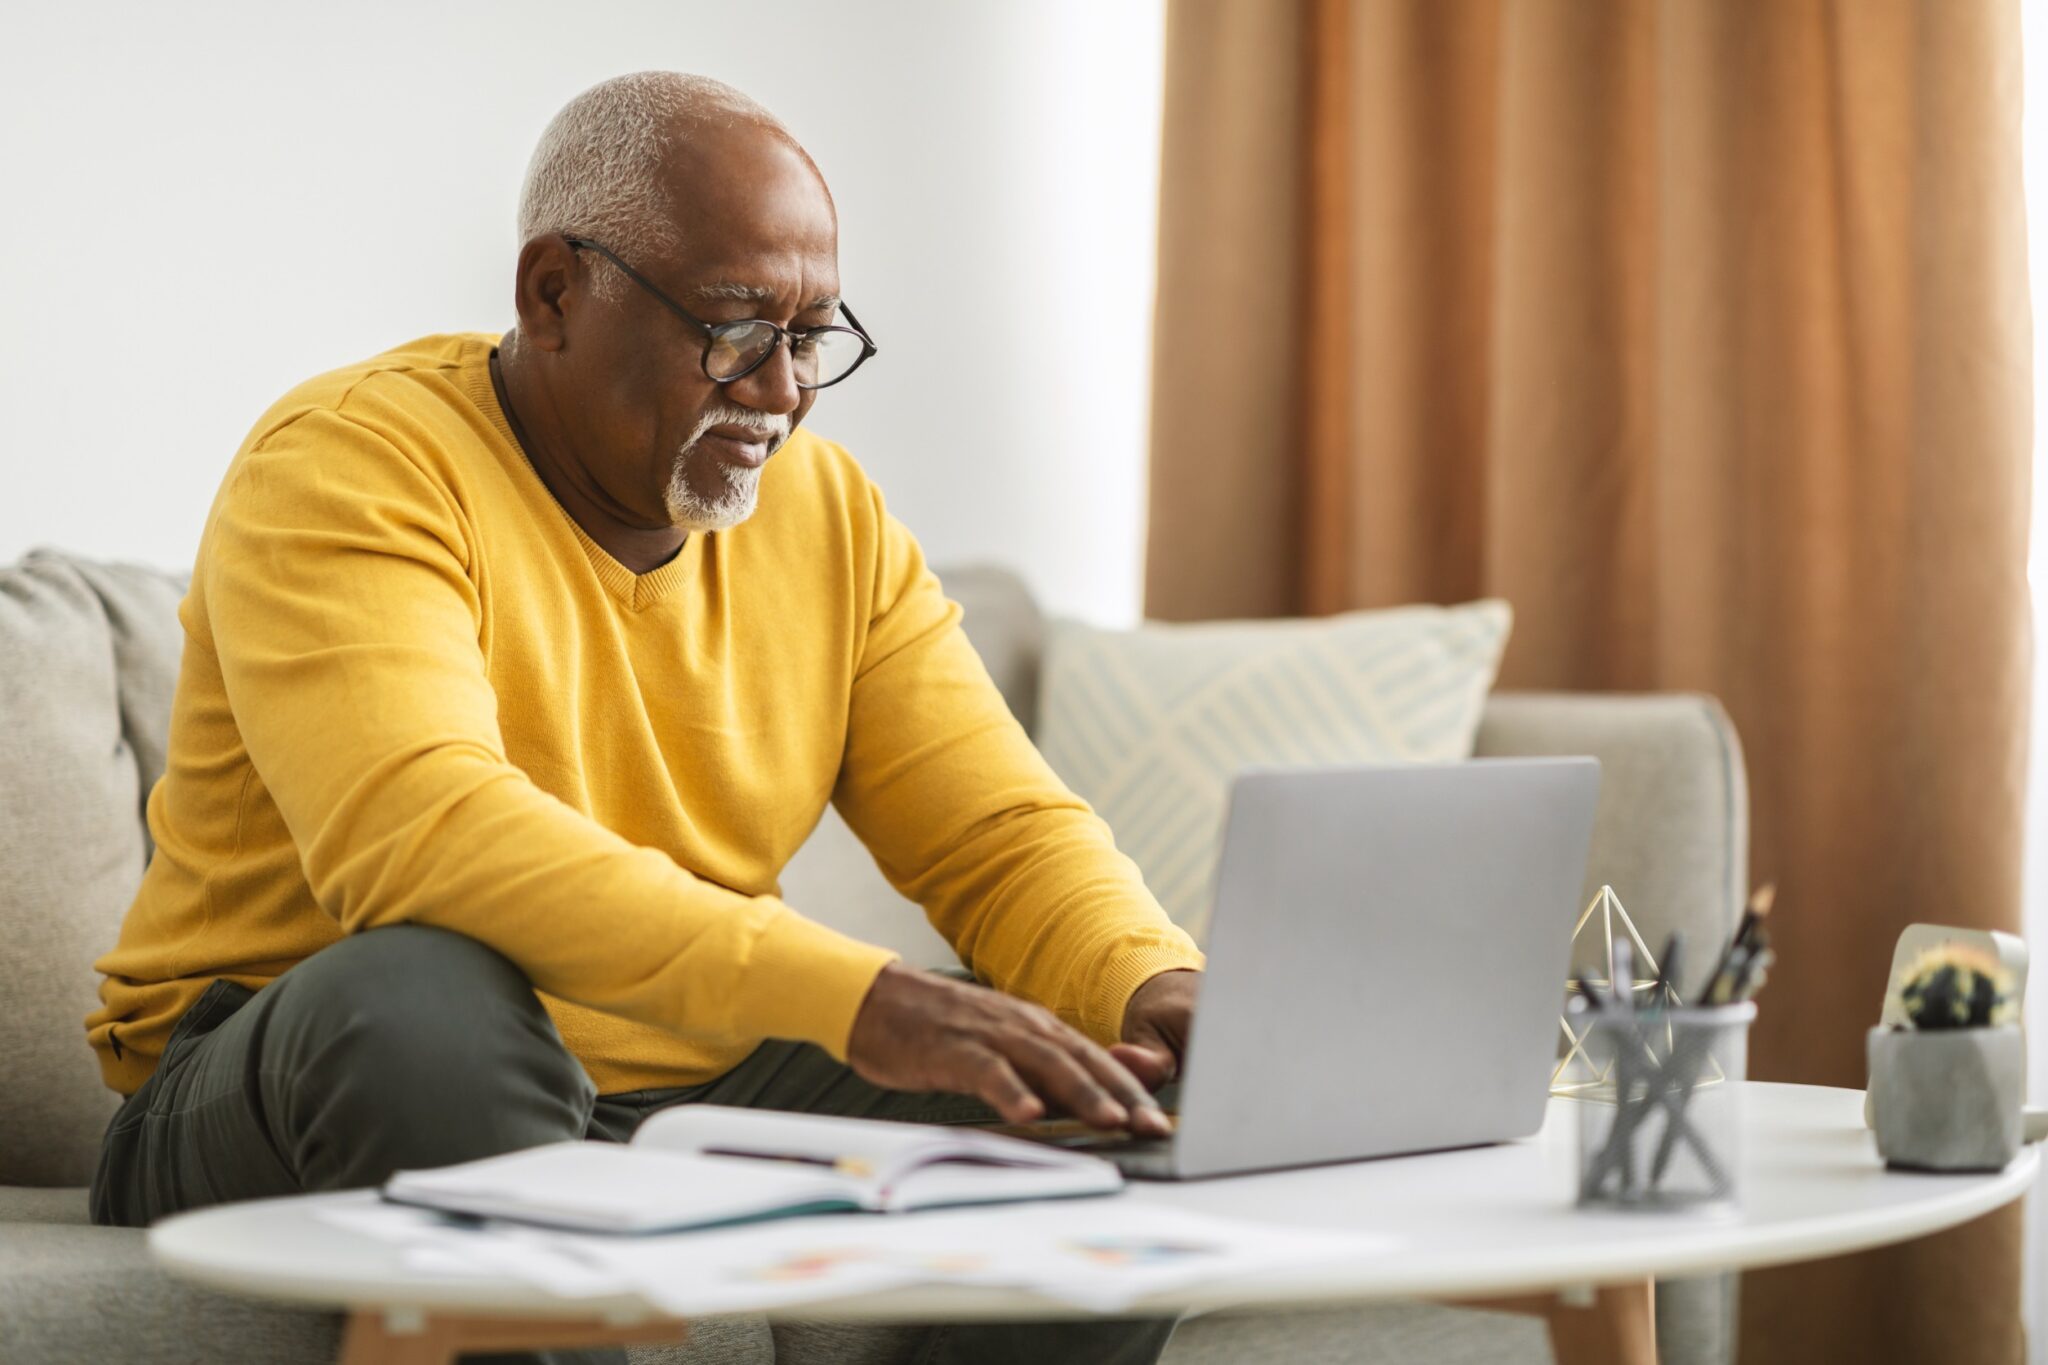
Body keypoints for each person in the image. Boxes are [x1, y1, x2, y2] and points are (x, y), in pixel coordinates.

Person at [82, 70, 1204, 1365]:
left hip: (681, 1077)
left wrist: (1153, 979)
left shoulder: (829, 518)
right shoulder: (352, 462)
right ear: (553, 292)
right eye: (735, 327)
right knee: (419, 996)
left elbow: (1000, 834)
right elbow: (421, 838)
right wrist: (855, 994)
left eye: (812, 334)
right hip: (297, 1073)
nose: (782, 391)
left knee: (1102, 1089)